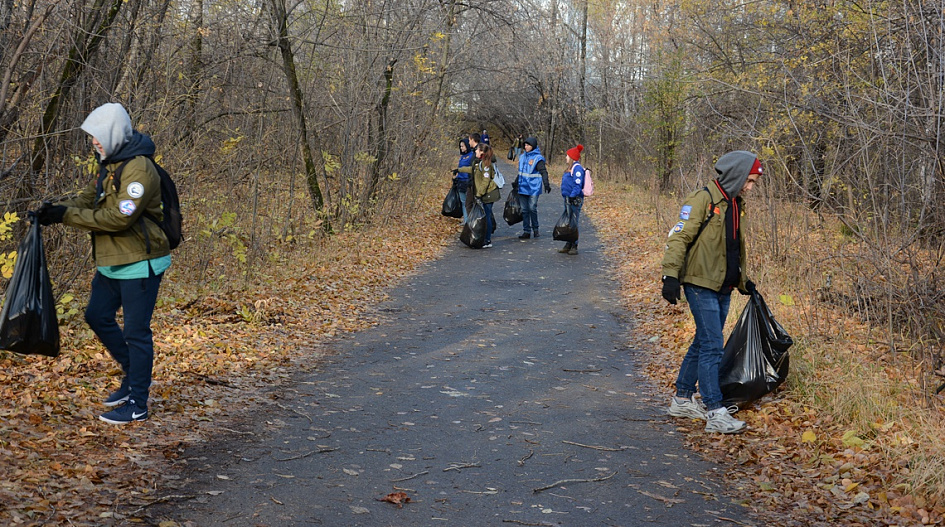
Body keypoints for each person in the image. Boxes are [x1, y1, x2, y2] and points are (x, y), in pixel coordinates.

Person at [37, 103, 170, 425]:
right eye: (92, 138)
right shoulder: (110, 163)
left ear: (113, 134)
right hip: (112, 260)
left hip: (140, 262)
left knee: (136, 333)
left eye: (98, 137)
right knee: (96, 315)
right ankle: (131, 375)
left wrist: (66, 217)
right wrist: (54, 211)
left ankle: (138, 403)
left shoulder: (138, 168)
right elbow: (88, 198)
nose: (94, 143)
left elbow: (118, 218)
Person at [660, 150, 763, 434]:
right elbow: (679, 236)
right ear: (737, 175)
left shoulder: (735, 205)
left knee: (703, 342)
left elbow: (730, 249)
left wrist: (743, 281)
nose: (750, 187)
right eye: (749, 181)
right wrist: (670, 276)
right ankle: (715, 410)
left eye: (753, 182)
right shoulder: (703, 200)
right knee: (712, 346)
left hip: (723, 286)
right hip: (699, 283)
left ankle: (682, 398)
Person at [457, 143, 501, 248]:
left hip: (489, 194)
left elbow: (485, 182)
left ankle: (487, 240)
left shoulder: (486, 165)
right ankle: (484, 237)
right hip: (484, 194)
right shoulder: (479, 163)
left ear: (482, 152)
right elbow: (472, 170)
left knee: (486, 216)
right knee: (485, 215)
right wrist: (459, 170)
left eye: (477, 150)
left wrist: (479, 194)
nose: (475, 152)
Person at [516, 137, 551, 239]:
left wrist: (546, 183)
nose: (526, 147)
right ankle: (526, 231)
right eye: (525, 145)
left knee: (532, 208)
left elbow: (543, 171)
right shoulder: (522, 157)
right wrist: (516, 182)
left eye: (528, 145)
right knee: (524, 210)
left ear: (533, 146)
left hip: (533, 188)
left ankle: (535, 229)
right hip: (522, 187)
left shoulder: (537, 158)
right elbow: (521, 172)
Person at [558, 144, 586, 255]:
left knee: (573, 221)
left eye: (567, 156)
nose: (566, 158)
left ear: (572, 157)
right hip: (568, 198)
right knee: (569, 221)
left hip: (574, 199)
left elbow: (577, 185)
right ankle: (568, 243)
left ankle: (574, 245)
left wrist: (572, 196)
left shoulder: (577, 168)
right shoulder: (570, 168)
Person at [452, 138, 475, 224]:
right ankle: (466, 220)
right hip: (460, 181)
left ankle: (469, 220)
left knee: (468, 202)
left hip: (467, 181)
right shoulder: (462, 157)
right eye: (460, 146)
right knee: (463, 201)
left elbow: (471, 169)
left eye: (462, 146)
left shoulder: (471, 156)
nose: (461, 148)